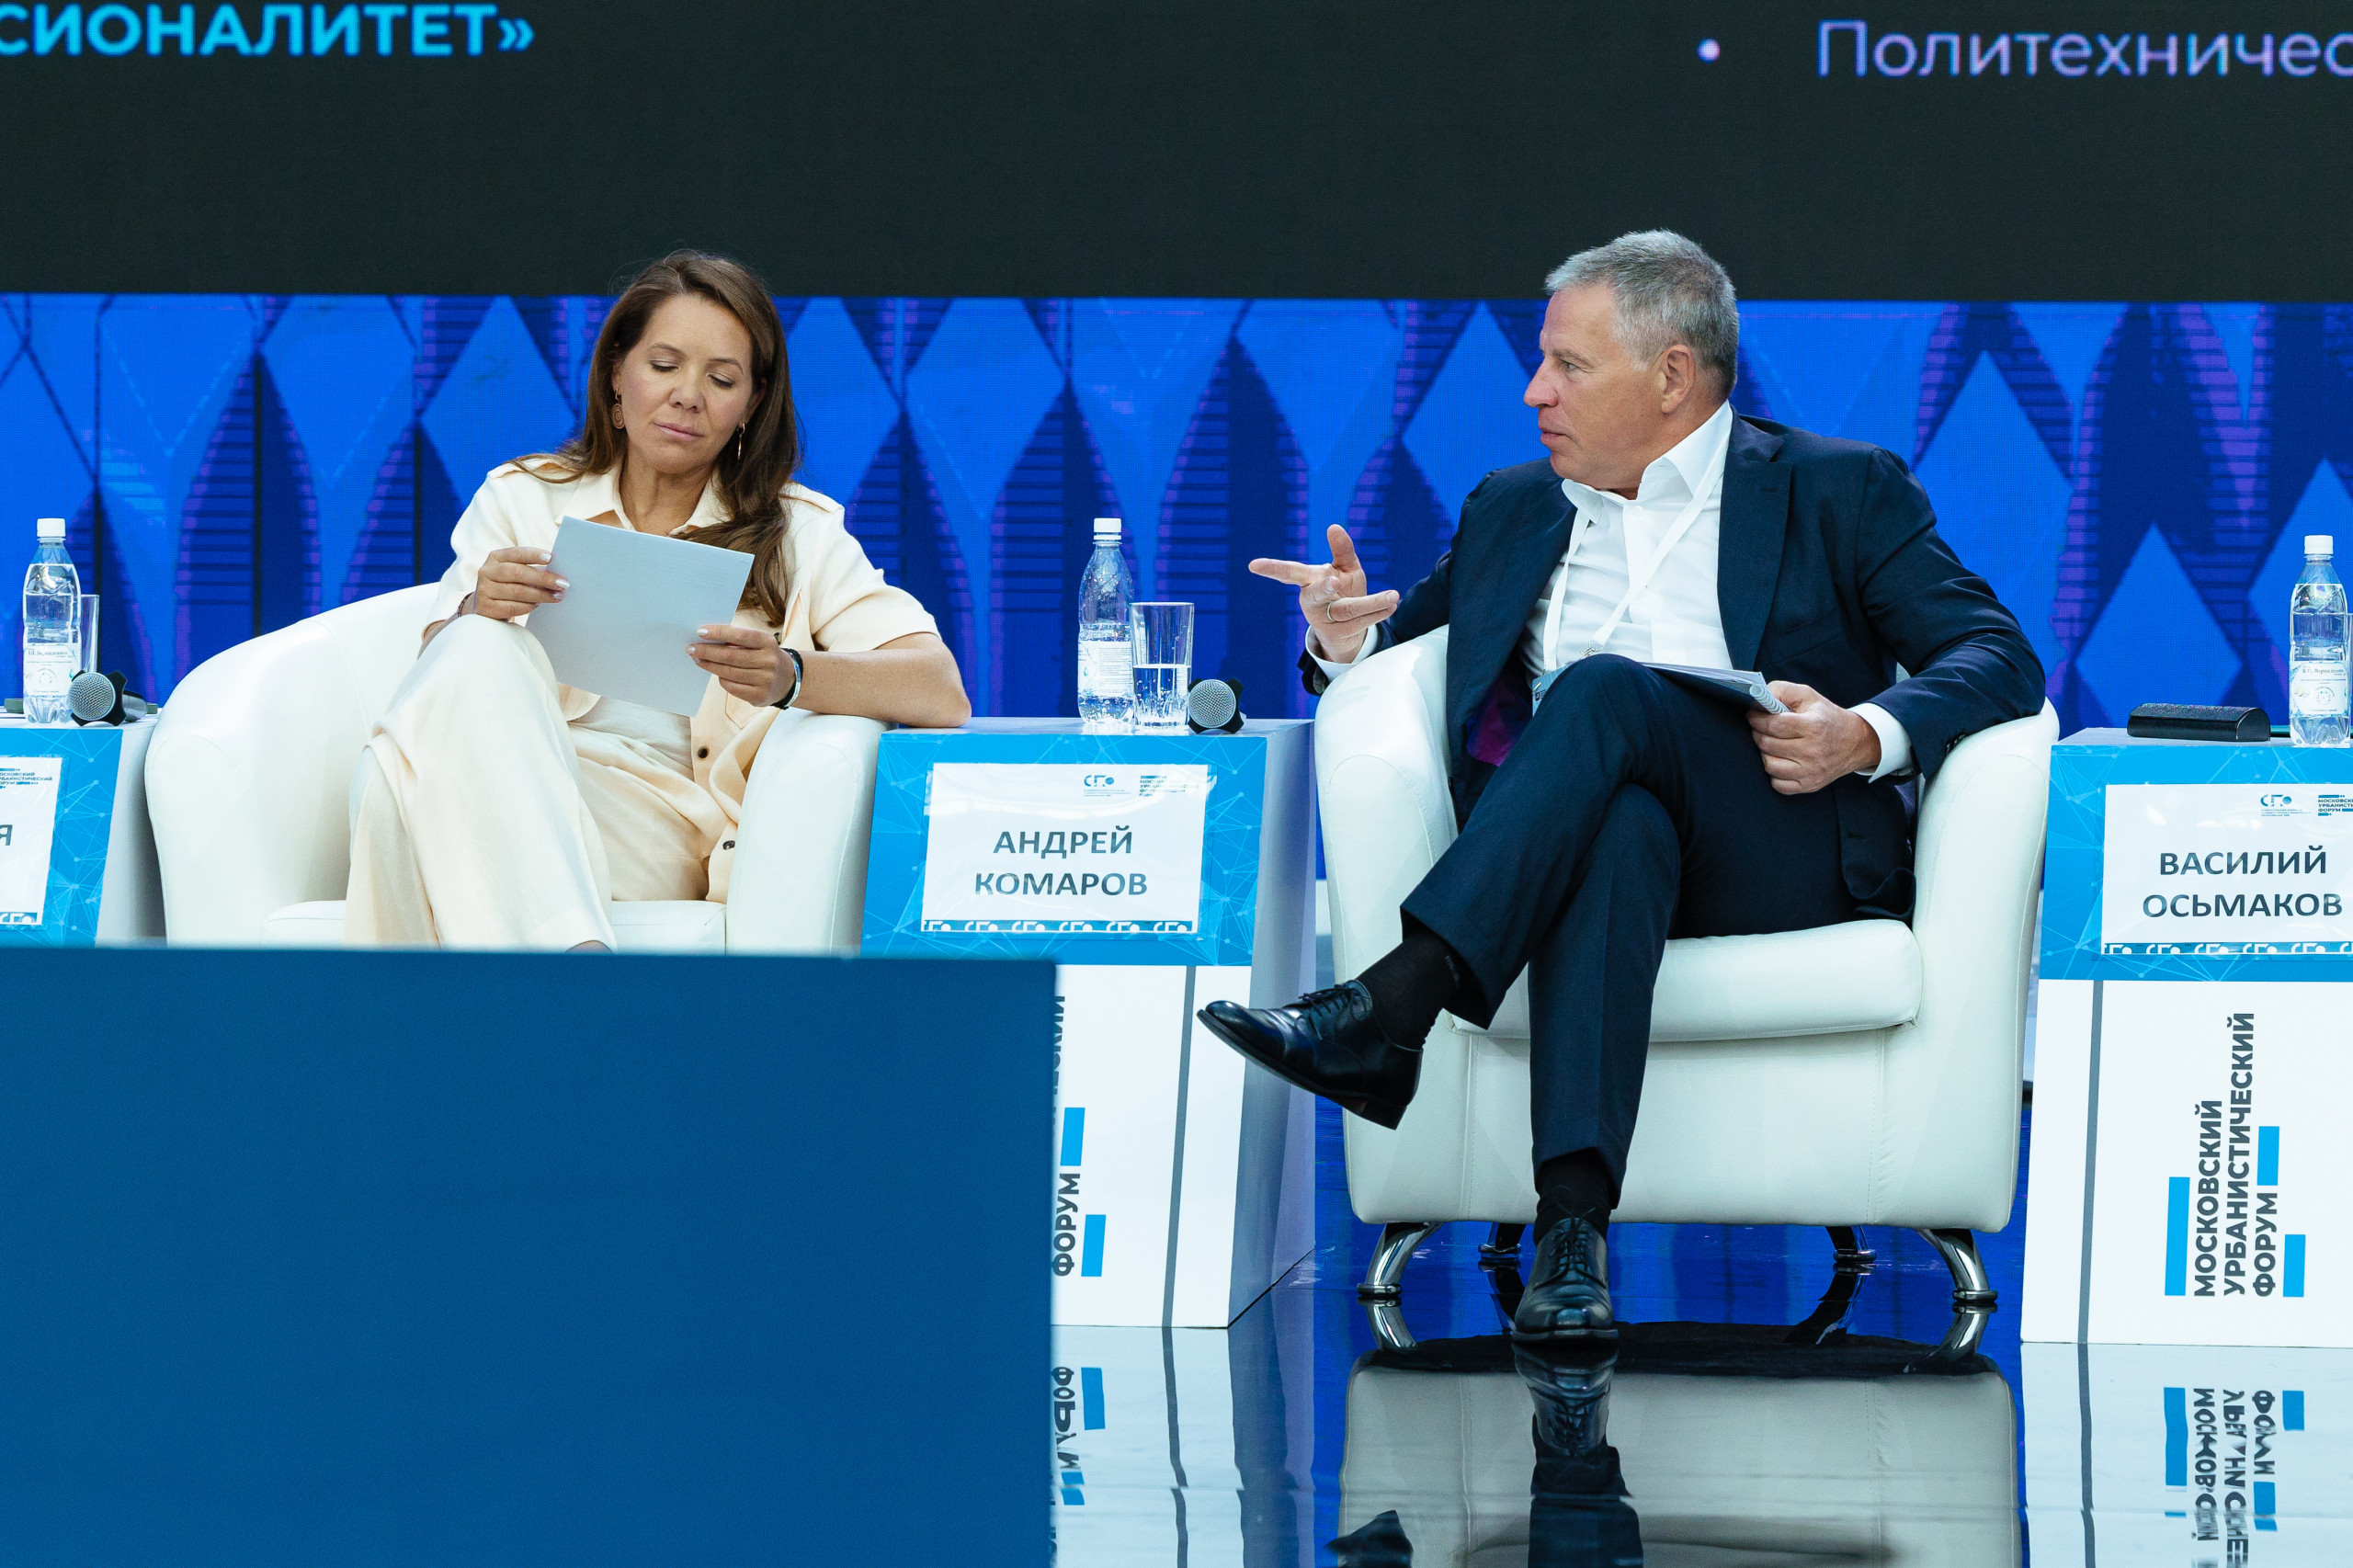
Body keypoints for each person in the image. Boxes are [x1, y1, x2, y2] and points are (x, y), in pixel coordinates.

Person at [1198, 231, 2043, 1341]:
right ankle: (1569, 1243)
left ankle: (1395, 1000)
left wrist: (1863, 734)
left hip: (1775, 845)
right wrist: (1343, 640)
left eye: (1568, 365)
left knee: (1600, 688)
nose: (1533, 390)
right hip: (1568, 853)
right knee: (1617, 826)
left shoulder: (1836, 487)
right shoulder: (1513, 505)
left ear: (1672, 375)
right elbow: (1406, 647)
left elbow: (1996, 654)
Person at [346, 251, 970, 949]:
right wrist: (474, 610)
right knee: (464, 659)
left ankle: (409, 1009)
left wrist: (790, 675)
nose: (687, 396)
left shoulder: (799, 531)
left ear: (750, 405)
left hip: (659, 817)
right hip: (520, 773)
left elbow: (939, 688)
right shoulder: (524, 496)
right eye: (664, 366)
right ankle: (573, 963)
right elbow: (437, 690)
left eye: (721, 379)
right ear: (617, 375)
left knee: (394, 785)